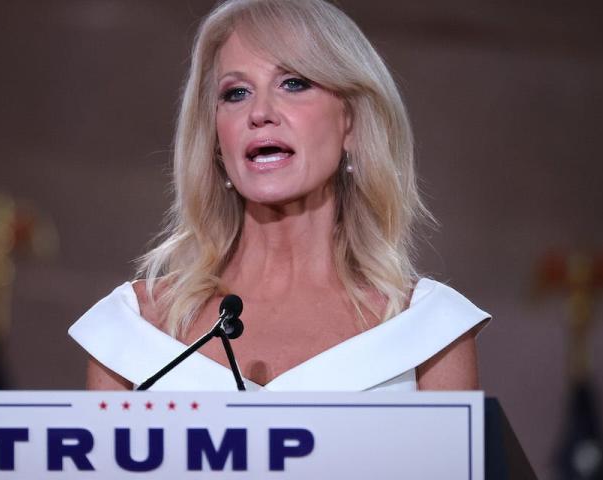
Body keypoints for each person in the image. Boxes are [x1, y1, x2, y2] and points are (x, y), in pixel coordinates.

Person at [69, 0, 489, 391]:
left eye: (293, 83)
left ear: (352, 123)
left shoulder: (427, 331)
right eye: (236, 92)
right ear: (216, 140)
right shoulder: (134, 333)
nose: (260, 112)